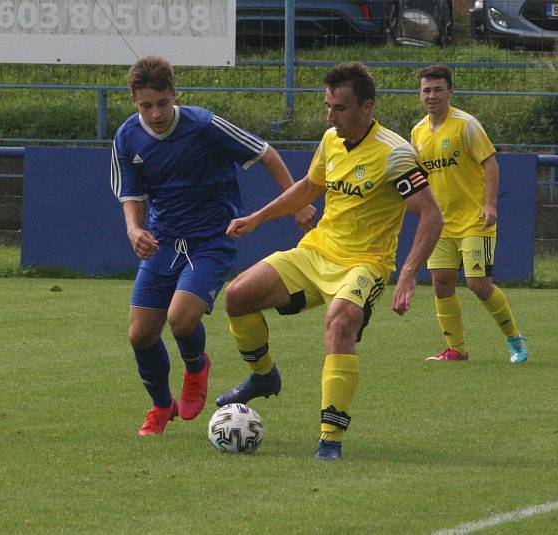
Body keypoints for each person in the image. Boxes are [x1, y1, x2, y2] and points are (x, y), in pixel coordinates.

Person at [215, 62, 443, 461]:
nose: (330, 115)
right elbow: (308, 188)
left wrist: (407, 274)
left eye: (339, 108)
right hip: (317, 251)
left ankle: (330, 439)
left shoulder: (395, 154)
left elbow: (431, 215)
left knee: (339, 323)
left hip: (365, 263)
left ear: (366, 107)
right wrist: (257, 219)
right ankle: (264, 375)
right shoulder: (330, 140)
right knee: (237, 296)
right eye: (327, 106)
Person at [110, 56, 315, 436]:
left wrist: (296, 202)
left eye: (162, 103)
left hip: (212, 240)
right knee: (140, 335)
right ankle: (160, 407)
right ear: (134, 101)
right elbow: (131, 194)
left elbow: (265, 152)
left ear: (174, 94)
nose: (155, 113)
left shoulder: (204, 125)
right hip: (164, 241)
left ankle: (195, 366)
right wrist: (134, 230)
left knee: (181, 318)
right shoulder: (126, 136)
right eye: (146, 106)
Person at [411, 64, 528, 364]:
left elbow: (490, 164)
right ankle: (456, 350)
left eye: (438, 89)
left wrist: (490, 205)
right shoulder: (418, 132)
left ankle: (515, 339)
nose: (432, 95)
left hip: (475, 220)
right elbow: (420, 176)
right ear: (420, 94)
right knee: (441, 283)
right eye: (426, 90)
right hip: (440, 223)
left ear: (450, 91)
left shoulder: (466, 125)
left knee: (477, 284)